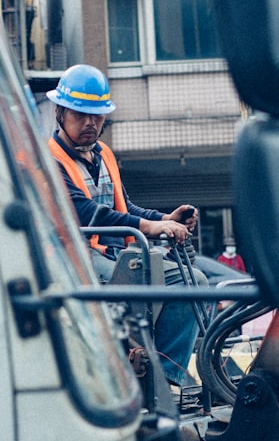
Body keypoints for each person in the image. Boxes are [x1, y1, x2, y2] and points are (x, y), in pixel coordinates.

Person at [46, 64, 204, 387]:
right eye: (80, 114)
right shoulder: (47, 162)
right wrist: (149, 228)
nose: (90, 123)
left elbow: (122, 207)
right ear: (60, 113)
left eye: (97, 115)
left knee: (195, 283)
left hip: (111, 256)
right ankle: (131, 365)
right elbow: (86, 213)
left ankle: (164, 377)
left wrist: (164, 220)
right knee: (139, 272)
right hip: (73, 260)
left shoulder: (103, 155)